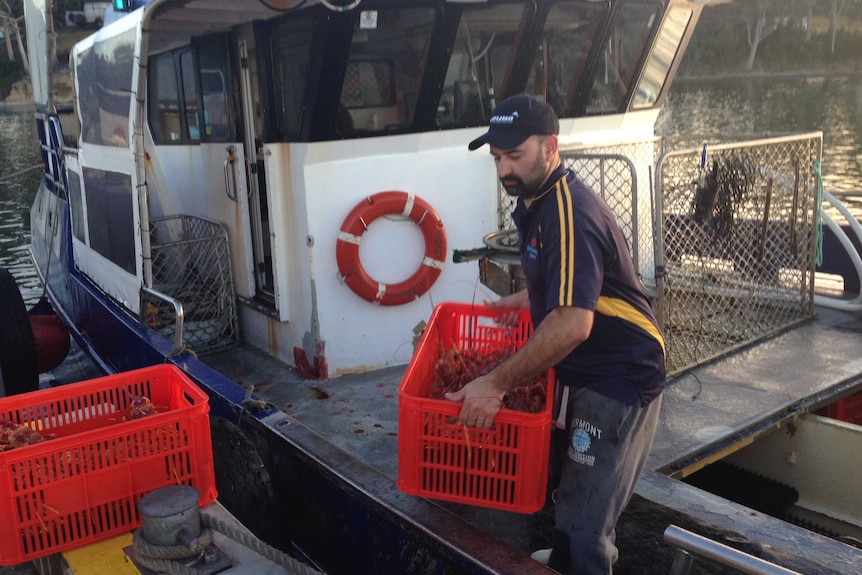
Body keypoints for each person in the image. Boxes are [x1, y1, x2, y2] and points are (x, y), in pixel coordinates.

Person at [445, 94, 665, 575]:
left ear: (551, 146)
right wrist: (522, 301)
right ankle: (565, 560)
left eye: (515, 156)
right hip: (588, 366)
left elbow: (573, 322)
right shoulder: (536, 200)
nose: (505, 170)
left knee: (588, 518)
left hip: (618, 376)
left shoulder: (568, 213)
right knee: (574, 489)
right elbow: (572, 283)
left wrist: (493, 385)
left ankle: (584, 561)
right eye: (497, 158)